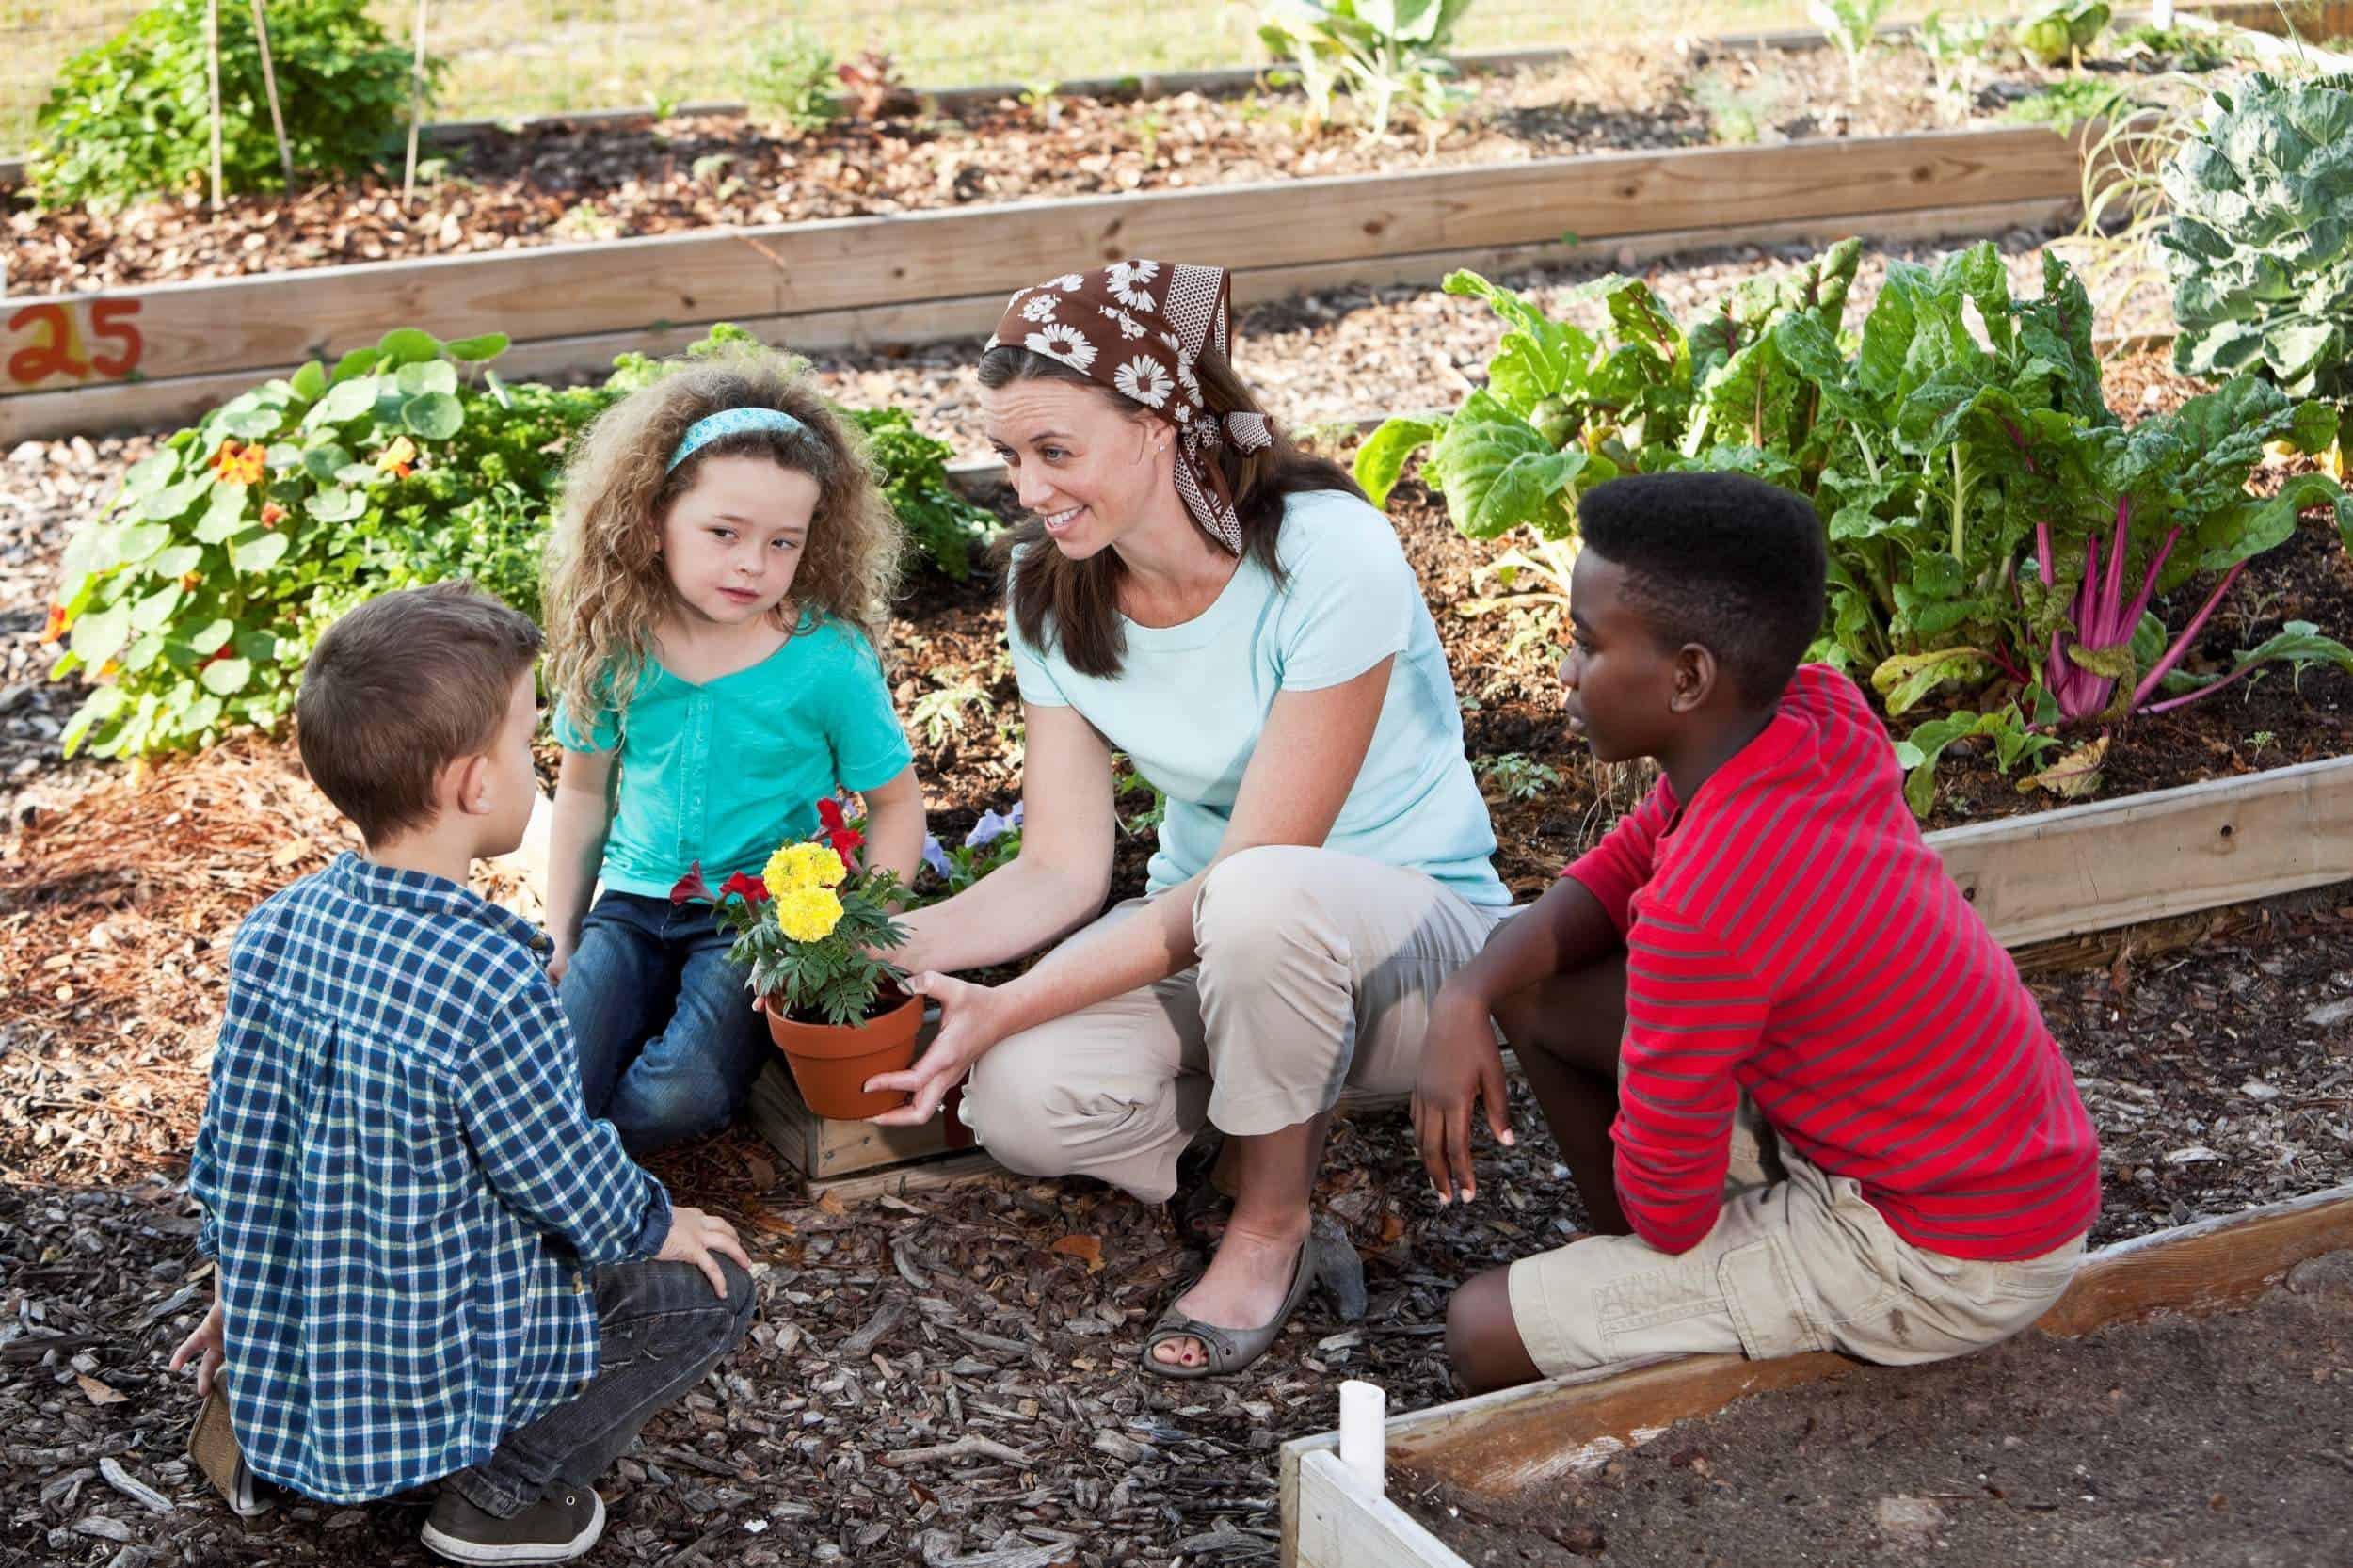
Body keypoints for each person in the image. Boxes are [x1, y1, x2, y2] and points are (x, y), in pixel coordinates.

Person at [864, 261, 1515, 1379]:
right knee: (1018, 1102)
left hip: (1423, 963)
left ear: (1160, 427)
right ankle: (1297, 1134)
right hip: (1229, 951)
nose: (1026, 488)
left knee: (1260, 899)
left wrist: (1014, 997)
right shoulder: (1049, 591)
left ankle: (1270, 1225)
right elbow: (1061, 869)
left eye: (1054, 452)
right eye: (1014, 456)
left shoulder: (1325, 552)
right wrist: (854, 949)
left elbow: (1257, 870)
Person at [1412, 472, 2101, 1395]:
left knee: (1479, 1329)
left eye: (1584, 645)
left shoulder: (1705, 905)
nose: (1565, 673)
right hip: (2006, 1169)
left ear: (1689, 676)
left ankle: (1676, 1310)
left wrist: (1663, 1236)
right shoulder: (1813, 716)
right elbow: (1619, 867)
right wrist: (1468, 992)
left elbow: (1672, 1212)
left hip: (1946, 1256)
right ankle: (1657, 1293)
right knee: (1537, 986)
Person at [174, 584, 756, 1565]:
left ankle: (270, 1397)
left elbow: (237, 1144)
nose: (535, 768)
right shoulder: (489, 976)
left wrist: (245, 1287)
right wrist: (661, 1222)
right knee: (714, 1288)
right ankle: (502, 1492)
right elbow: (560, 1177)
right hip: (433, 1342)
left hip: (328, 1307)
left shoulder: (280, 924)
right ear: (474, 786)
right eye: (527, 743)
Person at [540, 347, 924, 1153]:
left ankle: (597, 1147)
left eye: (784, 542)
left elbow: (894, 804)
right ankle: (606, 1076)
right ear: (652, 522)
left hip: (755, 922)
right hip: (633, 902)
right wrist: (564, 933)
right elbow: (581, 795)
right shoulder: (617, 643)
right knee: (552, 1076)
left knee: (675, 1098)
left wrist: (854, 935)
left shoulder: (825, 660)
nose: (753, 563)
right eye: (724, 532)